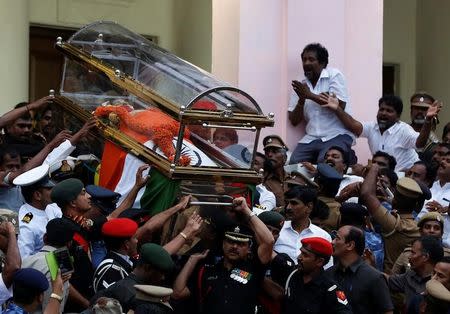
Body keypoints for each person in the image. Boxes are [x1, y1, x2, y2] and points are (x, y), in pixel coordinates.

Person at [172, 197, 274, 314]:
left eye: (241, 243)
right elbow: (177, 293)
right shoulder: (207, 270)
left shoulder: (254, 268)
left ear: (249, 249)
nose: (234, 246)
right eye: (230, 241)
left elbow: (269, 241)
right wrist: (191, 260)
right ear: (223, 244)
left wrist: (246, 210)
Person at [323, 93, 441, 171]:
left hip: (406, 175)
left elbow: (420, 143)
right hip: (384, 176)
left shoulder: (404, 130)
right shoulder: (372, 127)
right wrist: (337, 109)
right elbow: (353, 126)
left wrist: (428, 120)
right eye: (382, 109)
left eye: (389, 111)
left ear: (398, 116)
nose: (384, 113)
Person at [288, 43, 355, 164]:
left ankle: (349, 158)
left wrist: (310, 95)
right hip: (312, 137)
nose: (306, 63)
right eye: (304, 60)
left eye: (311, 59)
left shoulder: (333, 75)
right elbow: (293, 120)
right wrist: (302, 100)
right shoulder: (301, 84)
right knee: (294, 163)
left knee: (326, 162)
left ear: (323, 63)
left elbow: (340, 105)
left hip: (336, 135)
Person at [360, 164, 430, 272]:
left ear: (395, 198)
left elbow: (367, 194)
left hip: (389, 279)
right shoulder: (413, 223)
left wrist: (374, 167)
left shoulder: (397, 224)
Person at [91, 243, 175, 313]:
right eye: (161, 273)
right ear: (147, 268)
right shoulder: (143, 302)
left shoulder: (114, 288)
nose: (163, 277)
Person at [328, 225, 394, 314]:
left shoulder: (374, 278)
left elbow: (387, 311)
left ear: (350, 245)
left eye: (337, 239)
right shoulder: (328, 274)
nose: (332, 242)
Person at [21, 218, 78, 313]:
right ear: (69, 244)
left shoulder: (25, 261)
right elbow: (55, 310)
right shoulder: (61, 267)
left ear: (44, 238)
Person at [282, 237, 352, 313]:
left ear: (319, 261)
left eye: (305, 255)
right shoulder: (293, 275)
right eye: (301, 252)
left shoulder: (331, 289)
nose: (299, 257)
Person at [273, 186, 332, 268]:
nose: (288, 207)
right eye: (287, 203)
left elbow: (326, 268)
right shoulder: (277, 230)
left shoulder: (323, 236)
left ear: (309, 207)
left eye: (294, 203)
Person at [388, 236, 443, 309]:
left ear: (425, 257)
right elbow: (385, 279)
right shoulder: (410, 275)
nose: (409, 257)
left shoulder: (442, 283)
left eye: (413, 253)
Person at [13, 164, 55, 259]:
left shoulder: (51, 206)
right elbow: (25, 259)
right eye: (49, 189)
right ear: (37, 195)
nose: (53, 190)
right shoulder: (27, 224)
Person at [93, 218, 139, 293]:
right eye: (135, 238)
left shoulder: (128, 260)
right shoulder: (110, 270)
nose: (137, 241)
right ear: (127, 244)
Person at [417, 152, 450, 247]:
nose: (442, 162)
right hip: (418, 240)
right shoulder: (430, 188)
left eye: (448, 161)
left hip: (445, 247)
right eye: (443, 159)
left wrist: (445, 210)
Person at [262, 135, 290, 208]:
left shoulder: (292, 179)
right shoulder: (260, 180)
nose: (270, 155)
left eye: (275, 151)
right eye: (267, 152)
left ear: (285, 158)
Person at [0, 221, 21, 305]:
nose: (13, 241)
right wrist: (11, 232)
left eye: (16, 236)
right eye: (7, 236)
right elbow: (13, 268)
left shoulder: (10, 253)